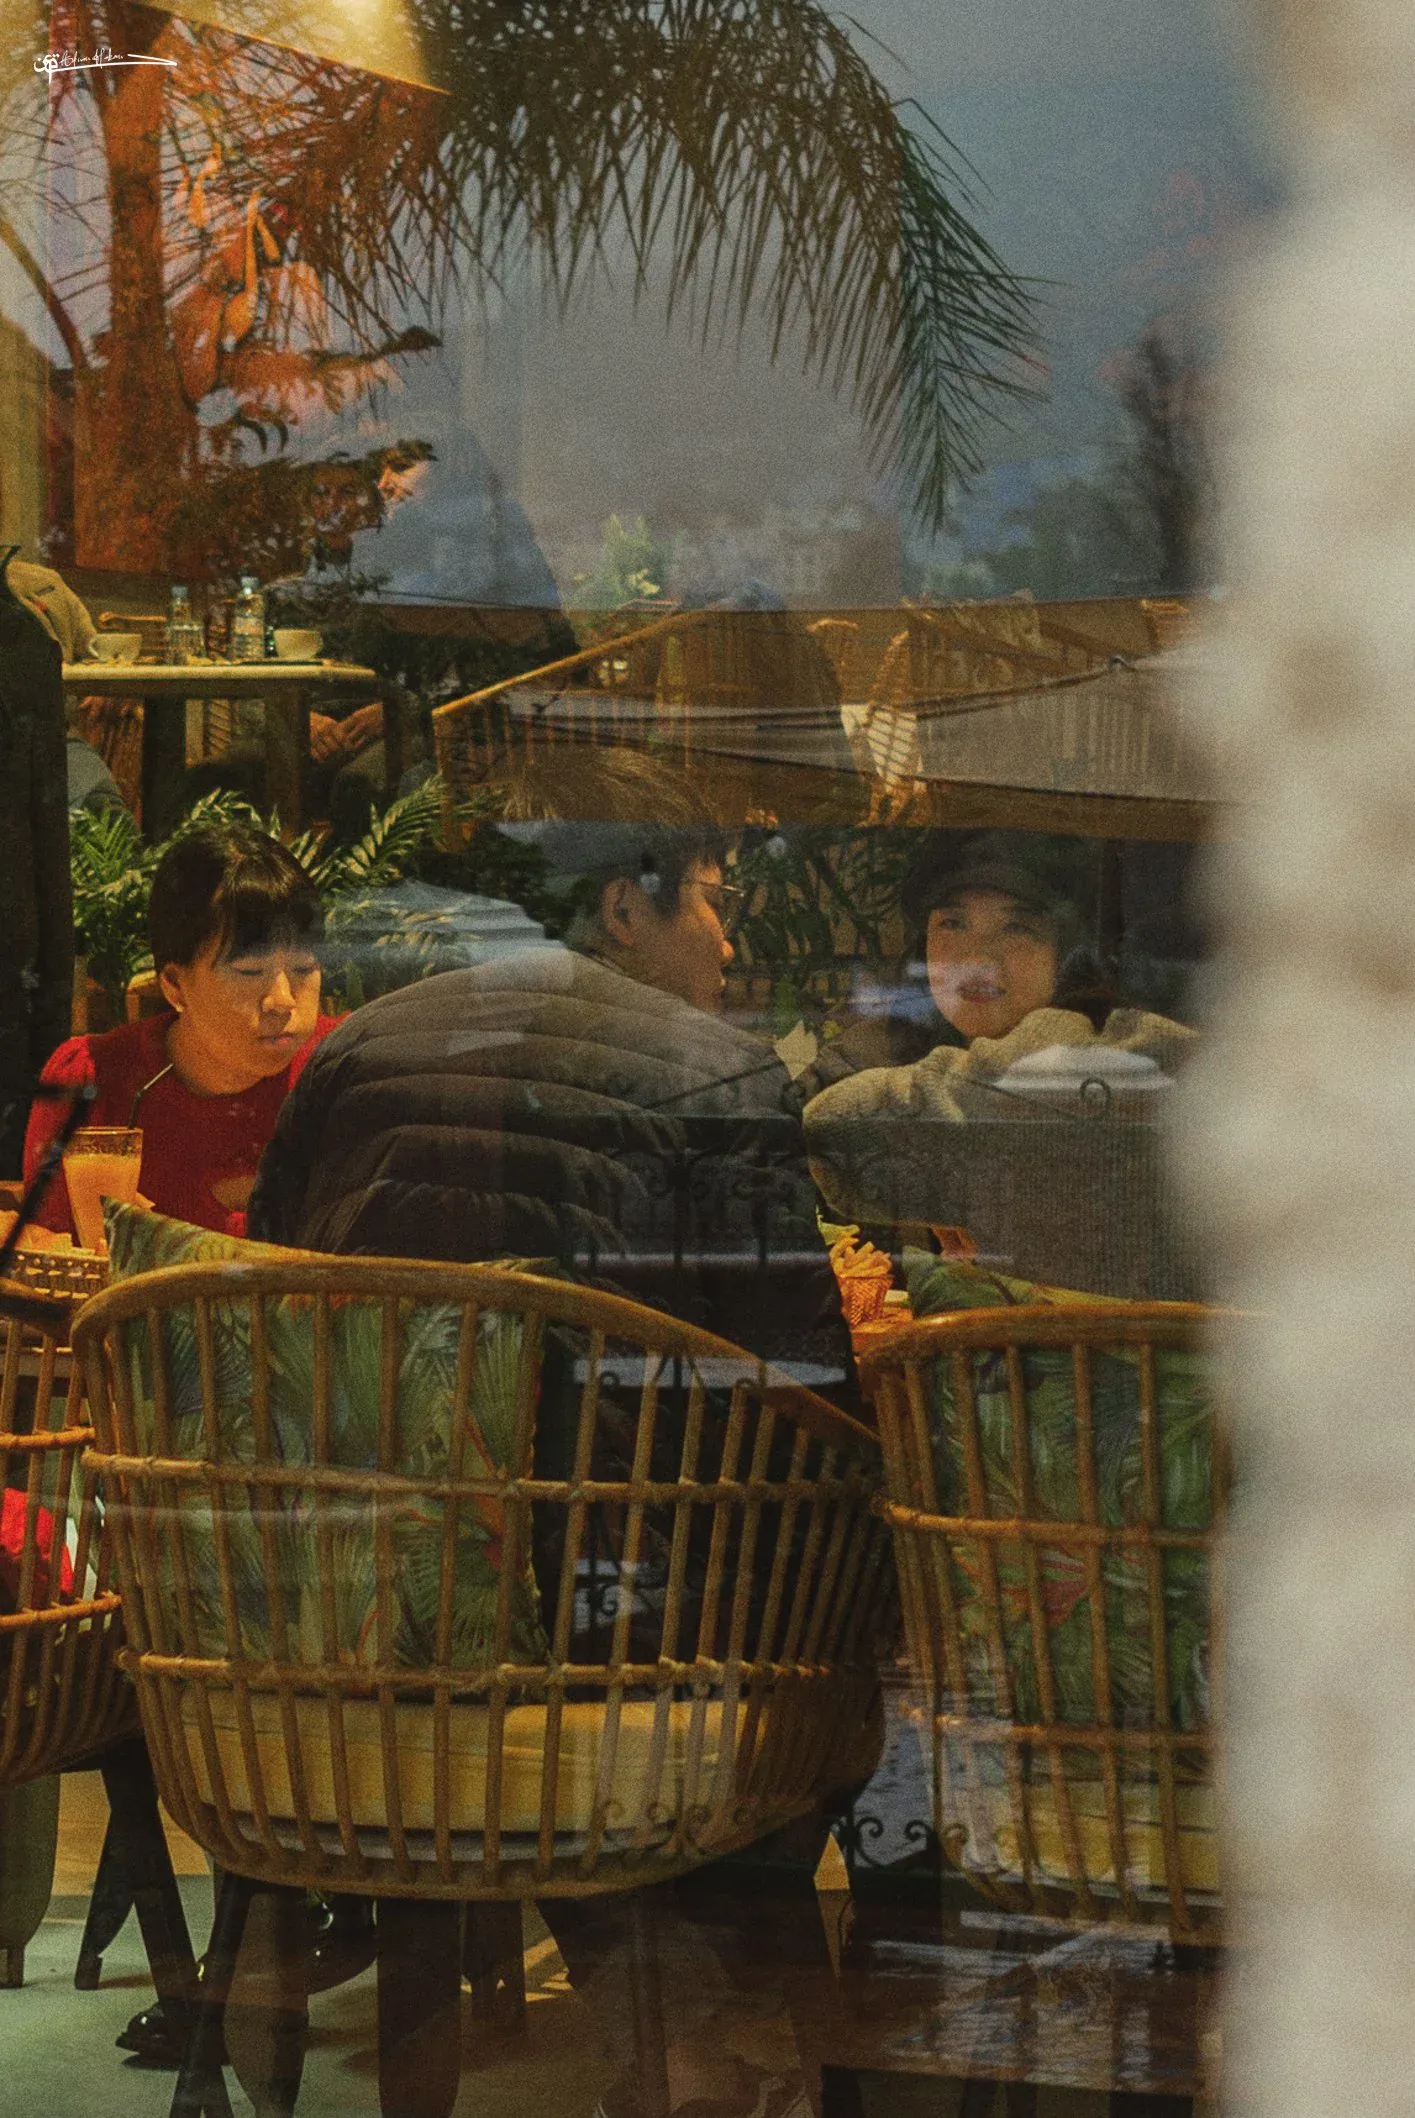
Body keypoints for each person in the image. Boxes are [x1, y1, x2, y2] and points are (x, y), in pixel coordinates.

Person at [249, 746, 855, 2118]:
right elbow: (802, 1383)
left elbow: (274, 1307)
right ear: (621, 910)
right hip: (620, 1644)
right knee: (824, 1625)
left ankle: (678, 2031)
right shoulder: (716, 1073)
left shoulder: (349, 1053)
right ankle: (715, 2034)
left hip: (348, 1650)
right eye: (710, 894)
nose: (730, 929)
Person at [803, 834, 1198, 1268]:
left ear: (1067, 952)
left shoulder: (1118, 1067)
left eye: (1017, 928)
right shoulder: (861, 1062)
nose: (977, 958)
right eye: (952, 924)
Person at [24, 824, 338, 1239]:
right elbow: (53, 1257)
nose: (282, 1000)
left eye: (303, 969)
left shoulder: (344, 1071)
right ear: (174, 985)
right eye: (248, 972)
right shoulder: (92, 1084)